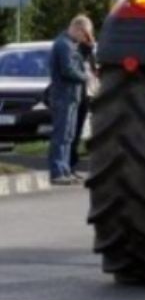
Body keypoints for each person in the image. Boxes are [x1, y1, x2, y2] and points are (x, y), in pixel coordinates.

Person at [47, 15, 94, 185]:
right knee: (61, 134)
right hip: (63, 95)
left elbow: (82, 58)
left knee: (69, 135)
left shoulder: (72, 45)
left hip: (71, 96)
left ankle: (65, 169)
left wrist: (89, 44)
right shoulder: (64, 45)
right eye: (84, 34)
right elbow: (67, 70)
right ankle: (57, 171)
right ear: (78, 28)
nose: (84, 38)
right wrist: (85, 77)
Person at [70, 37, 99, 176]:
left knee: (80, 131)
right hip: (79, 97)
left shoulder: (91, 57)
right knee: (73, 132)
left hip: (90, 96)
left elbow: (95, 75)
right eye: (89, 44)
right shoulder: (77, 56)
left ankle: (73, 163)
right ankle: (70, 163)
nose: (91, 47)